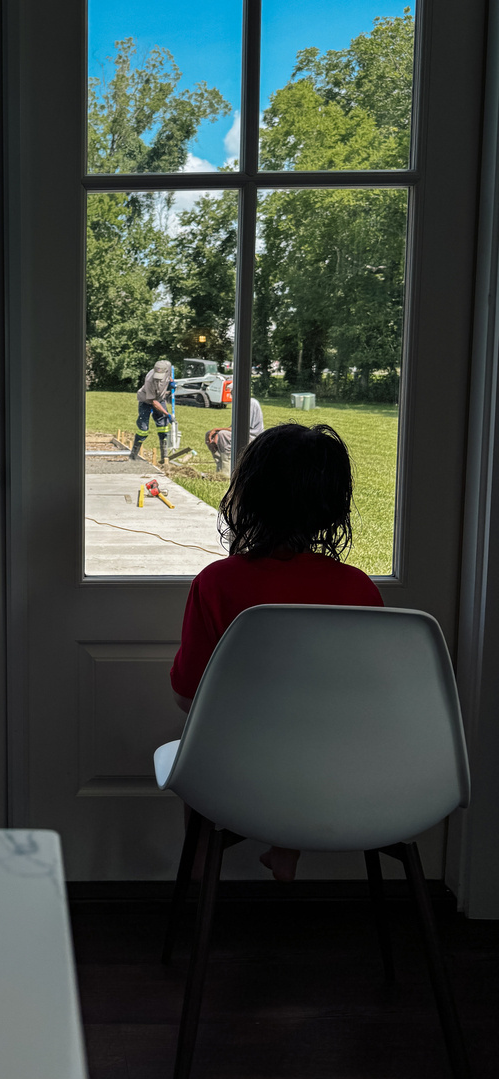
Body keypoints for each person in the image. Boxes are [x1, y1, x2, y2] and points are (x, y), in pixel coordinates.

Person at [170, 422, 383, 881]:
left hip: (241, 767)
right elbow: (370, 697)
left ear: (248, 496)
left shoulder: (217, 583)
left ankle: (202, 871)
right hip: (341, 765)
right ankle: (287, 848)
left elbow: (188, 696)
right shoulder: (358, 589)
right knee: (306, 743)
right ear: (331, 507)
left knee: (195, 757)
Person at [130, 358, 174, 464]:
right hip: (146, 400)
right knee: (143, 430)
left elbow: (169, 378)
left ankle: (165, 458)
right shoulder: (150, 379)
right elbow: (153, 402)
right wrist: (167, 414)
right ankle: (133, 456)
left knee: (163, 427)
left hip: (159, 399)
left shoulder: (167, 370)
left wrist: (172, 384)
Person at [205, 395, 264, 475]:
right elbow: (234, 426)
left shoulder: (249, 403)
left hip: (251, 436)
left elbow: (242, 428)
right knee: (209, 434)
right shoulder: (240, 403)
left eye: (233, 391)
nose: (232, 394)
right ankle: (220, 466)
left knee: (223, 435)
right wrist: (215, 433)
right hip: (242, 432)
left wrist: (217, 430)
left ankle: (227, 471)